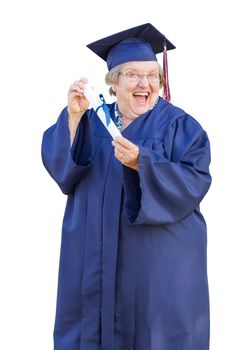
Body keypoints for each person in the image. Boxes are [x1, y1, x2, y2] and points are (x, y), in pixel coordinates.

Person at [42, 23, 211, 350]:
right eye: (133, 74)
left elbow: (195, 181)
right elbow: (62, 172)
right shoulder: (92, 121)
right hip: (93, 257)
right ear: (114, 82)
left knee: (154, 333)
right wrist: (73, 121)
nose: (144, 83)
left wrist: (144, 164)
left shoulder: (179, 126)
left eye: (152, 76)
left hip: (155, 265)